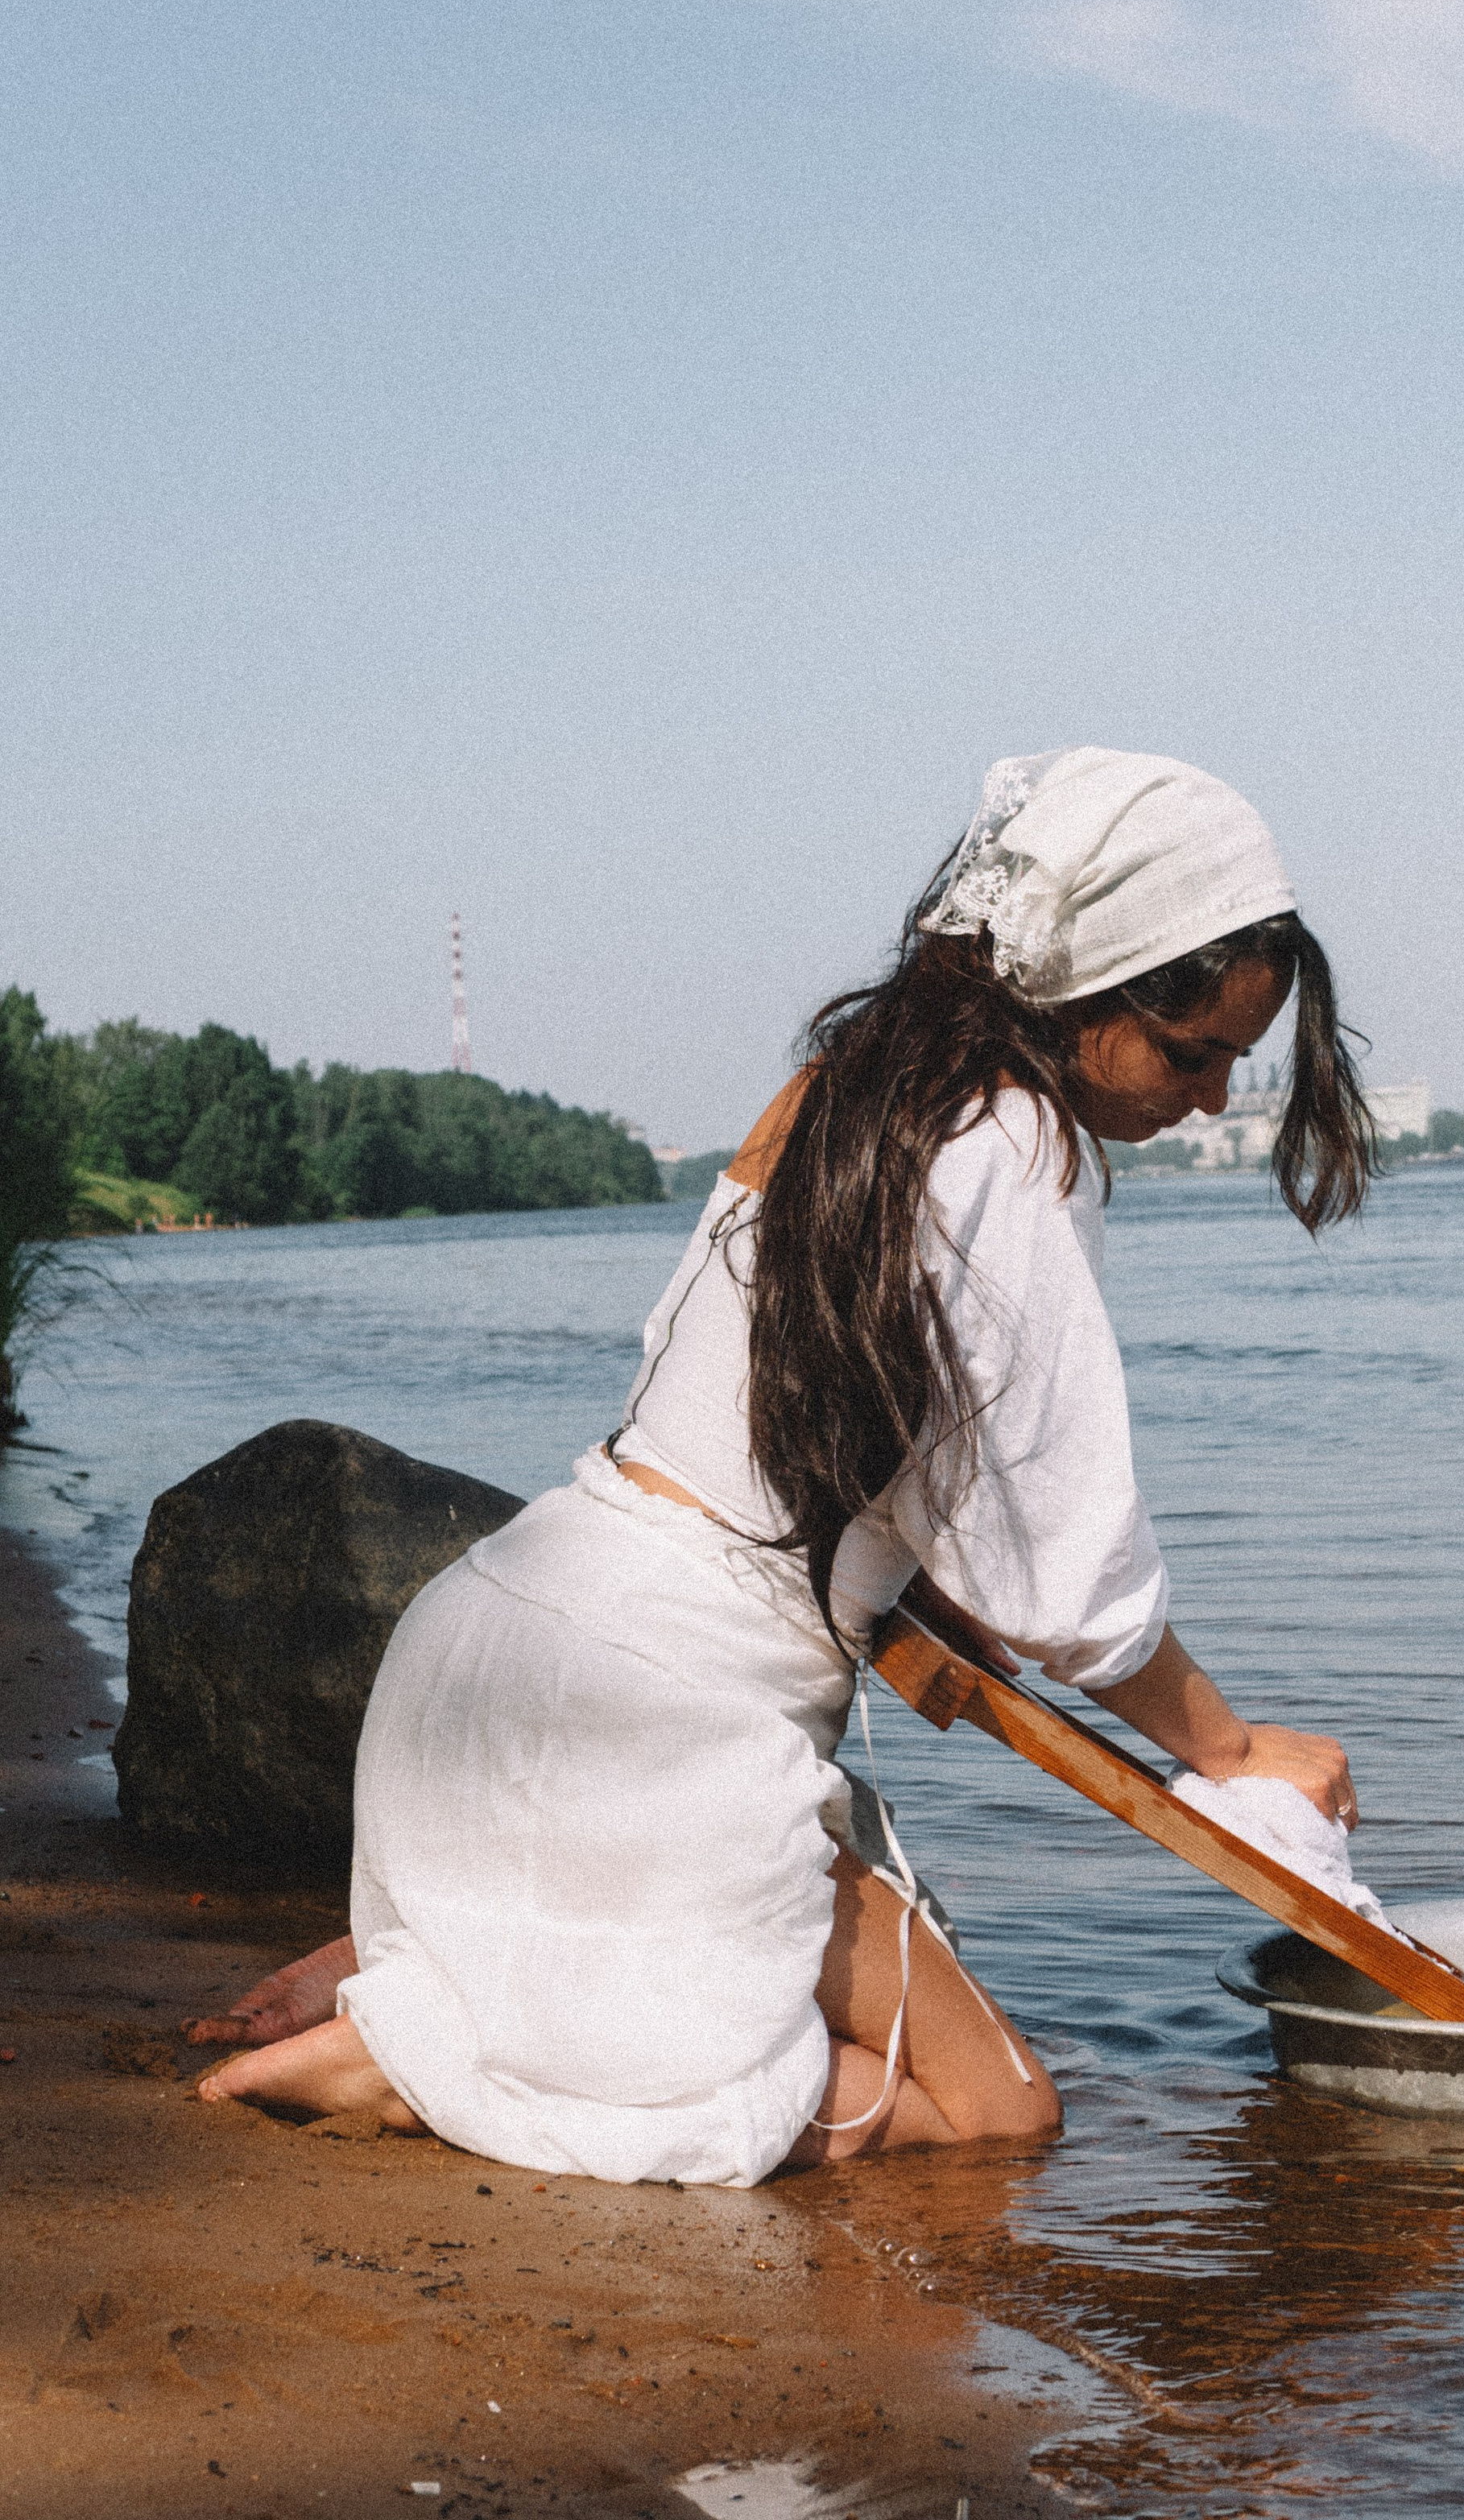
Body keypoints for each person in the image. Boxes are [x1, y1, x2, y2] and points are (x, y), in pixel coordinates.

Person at [196, 748, 1375, 2181]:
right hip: (649, 1737)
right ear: (1085, 989)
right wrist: (1236, 1755)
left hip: (485, 1658)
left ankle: (484, 1976)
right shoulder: (1014, 1151)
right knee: (1003, 2113)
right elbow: (1069, 1583)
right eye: (1194, 1054)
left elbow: (755, 1435)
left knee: (846, 2021)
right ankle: (428, 2065)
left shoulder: (847, 1093)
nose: (1208, 1101)